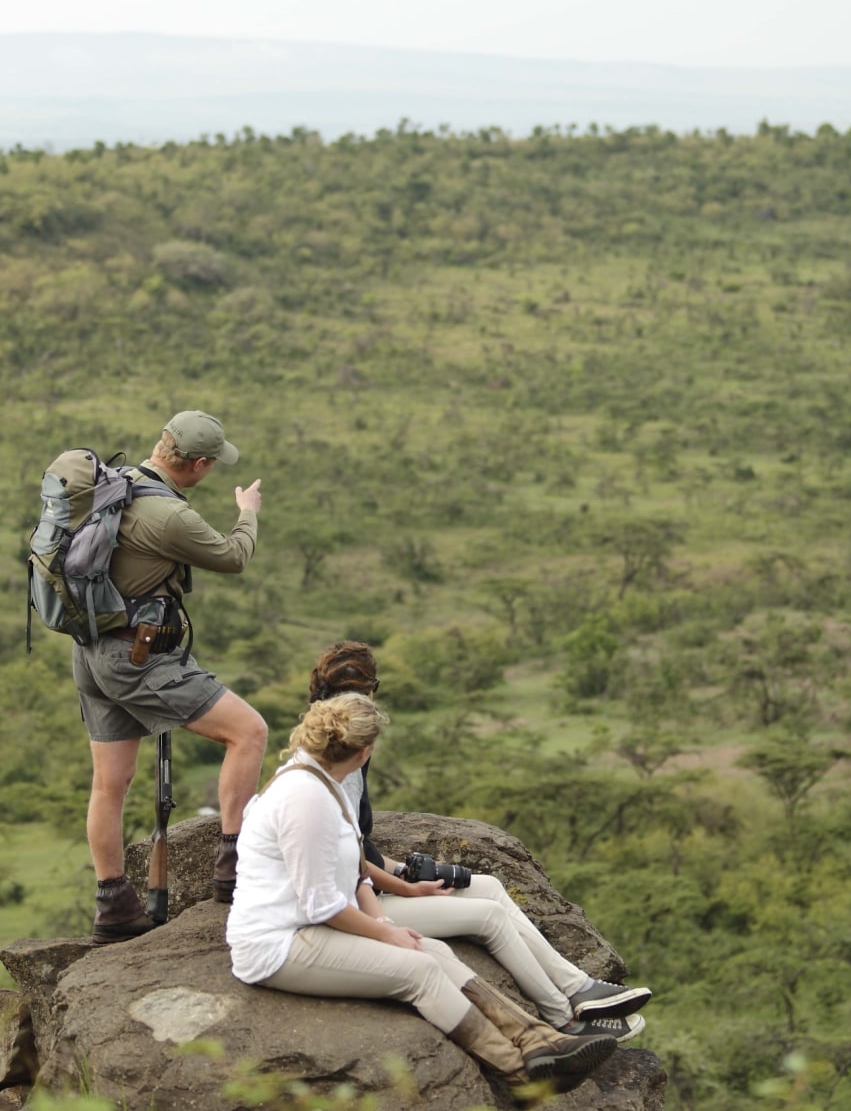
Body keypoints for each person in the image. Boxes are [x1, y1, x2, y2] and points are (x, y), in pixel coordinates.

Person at [226, 692, 615, 1092]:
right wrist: (386, 934)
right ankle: (517, 1072)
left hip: (311, 925)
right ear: (363, 752)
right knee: (420, 971)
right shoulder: (304, 797)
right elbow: (320, 903)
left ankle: (539, 1040)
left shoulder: (326, 784)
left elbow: (357, 874)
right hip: (277, 942)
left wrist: (384, 921)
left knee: (434, 950)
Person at [308, 641, 654, 1041]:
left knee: (487, 885)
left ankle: (578, 987)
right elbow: (349, 867)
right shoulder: (335, 773)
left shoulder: (339, 759)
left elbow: (356, 847)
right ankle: (565, 1020)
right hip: (357, 910)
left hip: (365, 892)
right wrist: (405, 888)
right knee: (488, 917)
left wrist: (404, 871)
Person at [76, 410, 270, 943]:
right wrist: (246, 512)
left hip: (92, 649)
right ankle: (234, 872)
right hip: (138, 658)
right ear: (201, 464)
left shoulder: (113, 486)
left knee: (109, 785)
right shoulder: (169, 516)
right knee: (248, 731)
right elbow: (233, 558)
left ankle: (113, 907)